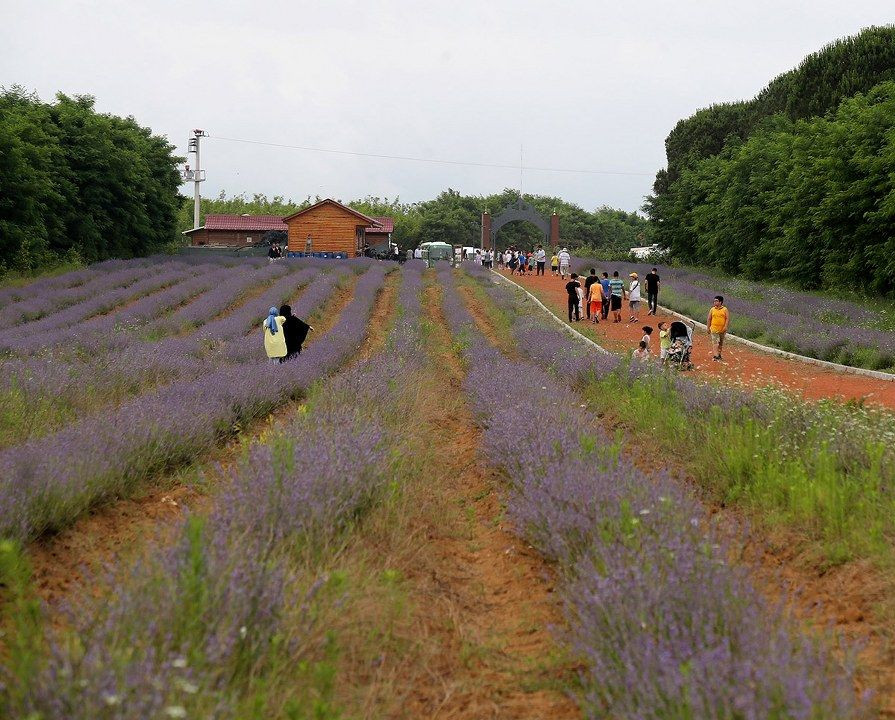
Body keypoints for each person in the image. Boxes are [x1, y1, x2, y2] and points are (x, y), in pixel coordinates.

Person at [707, 295, 730, 361]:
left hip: (722, 330)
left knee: (720, 343)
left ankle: (719, 354)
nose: (714, 302)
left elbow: (727, 318)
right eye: (714, 301)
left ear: (720, 302)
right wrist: (708, 328)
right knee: (715, 343)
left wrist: (725, 326)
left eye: (716, 301)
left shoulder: (725, 309)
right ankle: (715, 356)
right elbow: (709, 319)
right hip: (714, 329)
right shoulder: (712, 309)